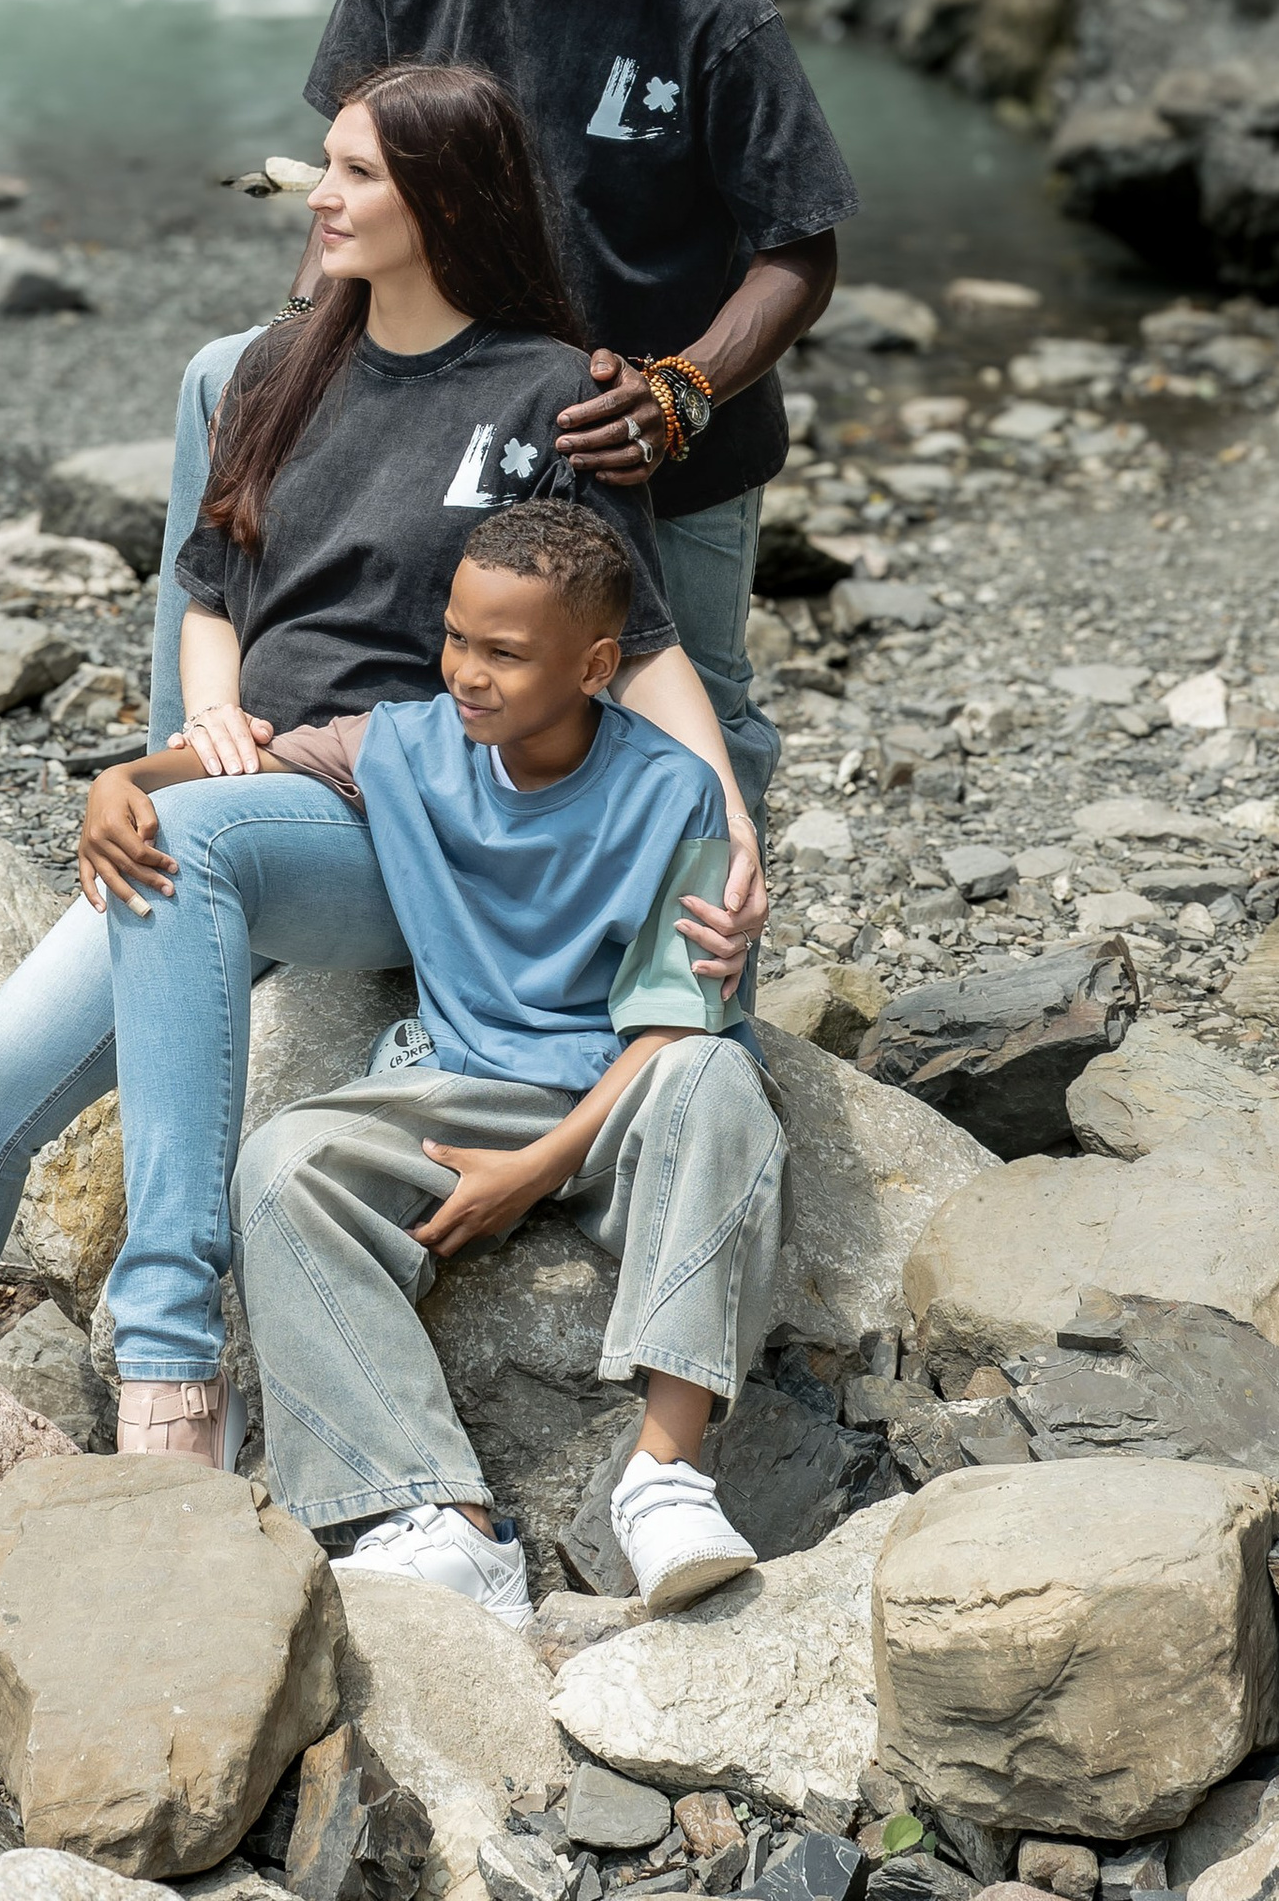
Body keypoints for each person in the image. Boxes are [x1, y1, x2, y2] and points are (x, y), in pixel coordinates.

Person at [0, 61, 756, 1356]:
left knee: (187, 847)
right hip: (244, 792)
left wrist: (733, 828)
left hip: (405, 814)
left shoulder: (552, 393)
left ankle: (170, 1353)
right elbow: (212, 580)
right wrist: (204, 720)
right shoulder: (275, 365)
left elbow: (644, 643)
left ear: (443, 200)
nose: (314, 195)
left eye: (354, 174)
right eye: (324, 163)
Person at [151, 0, 860, 840]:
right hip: (447, 403)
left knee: (684, 723)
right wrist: (306, 347)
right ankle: (196, 787)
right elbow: (347, 183)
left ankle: (702, 992)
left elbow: (799, 245)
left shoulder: (708, 5)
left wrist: (682, 389)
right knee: (248, 415)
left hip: (640, 437)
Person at [93, 499, 783, 1622]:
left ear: (596, 664)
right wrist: (128, 778)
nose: (467, 670)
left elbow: (673, 1019)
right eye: (457, 636)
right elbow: (253, 754)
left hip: (628, 1087)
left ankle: (665, 1480)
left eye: (505, 651)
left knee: (718, 1081)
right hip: (467, 1081)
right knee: (282, 1161)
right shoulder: (402, 741)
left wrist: (538, 1167)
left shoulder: (676, 789)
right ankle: (442, 1522)